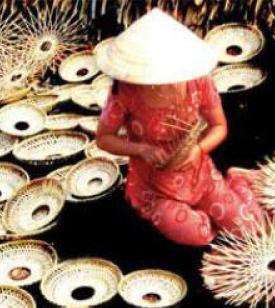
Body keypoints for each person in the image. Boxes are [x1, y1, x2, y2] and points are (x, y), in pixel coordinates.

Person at [96, 8, 263, 246]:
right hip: (154, 187)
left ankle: (236, 180)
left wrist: (198, 150)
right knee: (197, 235)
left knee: (249, 229)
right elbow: (103, 138)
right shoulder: (125, 90)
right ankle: (202, 216)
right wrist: (141, 149)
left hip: (199, 174)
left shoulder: (198, 80)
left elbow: (218, 126)